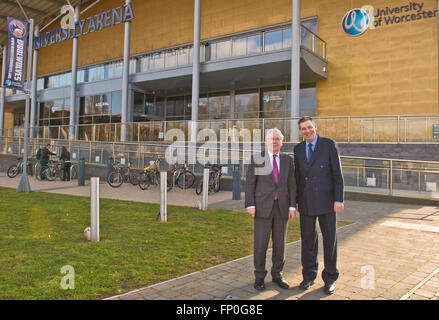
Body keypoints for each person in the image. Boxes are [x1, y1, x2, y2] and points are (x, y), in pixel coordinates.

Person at [294, 116, 344, 295]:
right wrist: (296, 201)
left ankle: (330, 278)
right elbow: (298, 177)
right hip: (306, 201)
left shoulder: (328, 144)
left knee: (330, 240)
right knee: (307, 240)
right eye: (303, 129)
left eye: (309, 127)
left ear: (315, 127)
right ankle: (308, 275)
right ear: (300, 131)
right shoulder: (298, 149)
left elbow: (337, 174)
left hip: (327, 201)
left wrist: (339, 199)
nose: (307, 131)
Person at [245, 128, 296, 291]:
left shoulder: (288, 160)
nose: (274, 141)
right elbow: (250, 183)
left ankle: (277, 275)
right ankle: (259, 276)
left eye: (277, 139)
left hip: (282, 207)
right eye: (271, 139)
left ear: (282, 142)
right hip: (262, 208)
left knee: (280, 244)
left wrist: (291, 206)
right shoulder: (257, 159)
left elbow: (292, 185)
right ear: (266, 141)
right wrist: (250, 205)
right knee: (261, 244)